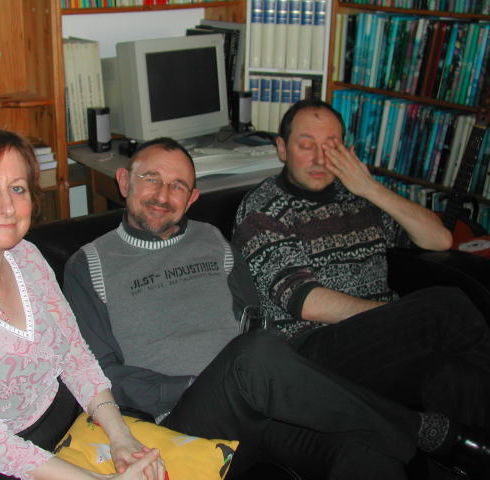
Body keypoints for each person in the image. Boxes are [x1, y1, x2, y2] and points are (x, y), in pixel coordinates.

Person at [62, 137, 489, 480]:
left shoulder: (211, 239)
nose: (162, 194)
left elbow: (255, 315)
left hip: (262, 396)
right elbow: (101, 372)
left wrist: (274, 370)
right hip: (187, 417)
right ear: (124, 181)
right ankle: (430, 433)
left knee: (366, 452)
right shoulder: (89, 263)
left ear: (192, 198)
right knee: (255, 356)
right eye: (151, 178)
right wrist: (196, 383)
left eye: (177, 186)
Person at [0, 123, 165, 480]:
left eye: (17, 188)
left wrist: (120, 436)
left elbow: (74, 355)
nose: (8, 207)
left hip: (75, 425)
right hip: (13, 466)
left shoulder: (26, 257)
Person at [232, 99, 490, 475]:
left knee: (452, 375)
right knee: (446, 307)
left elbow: (439, 238)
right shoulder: (263, 209)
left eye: (331, 146)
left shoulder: (356, 198)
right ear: (282, 149)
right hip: (308, 353)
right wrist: (400, 319)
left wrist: (370, 188)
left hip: (378, 348)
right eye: (306, 145)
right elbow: (304, 300)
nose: (320, 158)